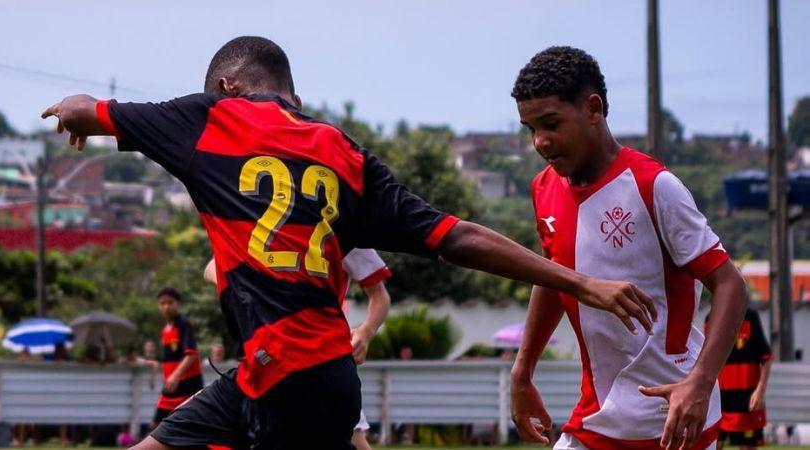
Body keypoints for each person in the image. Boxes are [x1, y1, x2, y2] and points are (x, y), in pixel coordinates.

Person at [42, 36, 656, 450]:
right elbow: (459, 236)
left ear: (227, 86)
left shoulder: (210, 117)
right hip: (317, 377)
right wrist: (582, 282)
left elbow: (86, 110)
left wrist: (70, 112)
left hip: (282, 372)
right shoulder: (344, 154)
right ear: (293, 97)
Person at [508, 46, 748, 450]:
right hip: (598, 416)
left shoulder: (654, 185)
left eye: (550, 124)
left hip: (673, 416)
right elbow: (553, 276)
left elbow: (730, 285)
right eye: (531, 129)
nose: (541, 141)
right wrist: (522, 371)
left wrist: (701, 382)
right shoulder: (544, 188)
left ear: (593, 109)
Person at [206, 248, 391, 450]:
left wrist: (366, 331)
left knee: (351, 437)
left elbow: (379, 294)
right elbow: (212, 267)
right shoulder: (255, 234)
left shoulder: (342, 235)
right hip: (269, 359)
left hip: (324, 361)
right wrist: (243, 285)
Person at [707, 308, 772, 450]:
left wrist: (759, 392)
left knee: (747, 446)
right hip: (720, 400)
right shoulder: (711, 318)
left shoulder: (750, 317)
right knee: (713, 445)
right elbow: (706, 359)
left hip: (747, 401)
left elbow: (766, 357)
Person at [152, 287, 203, 429]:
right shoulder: (165, 329)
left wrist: (175, 376)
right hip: (172, 387)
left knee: (192, 425)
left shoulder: (184, 324)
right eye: (162, 303)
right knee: (157, 425)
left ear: (178, 304)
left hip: (188, 385)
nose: (166, 306)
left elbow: (191, 354)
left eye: (170, 302)